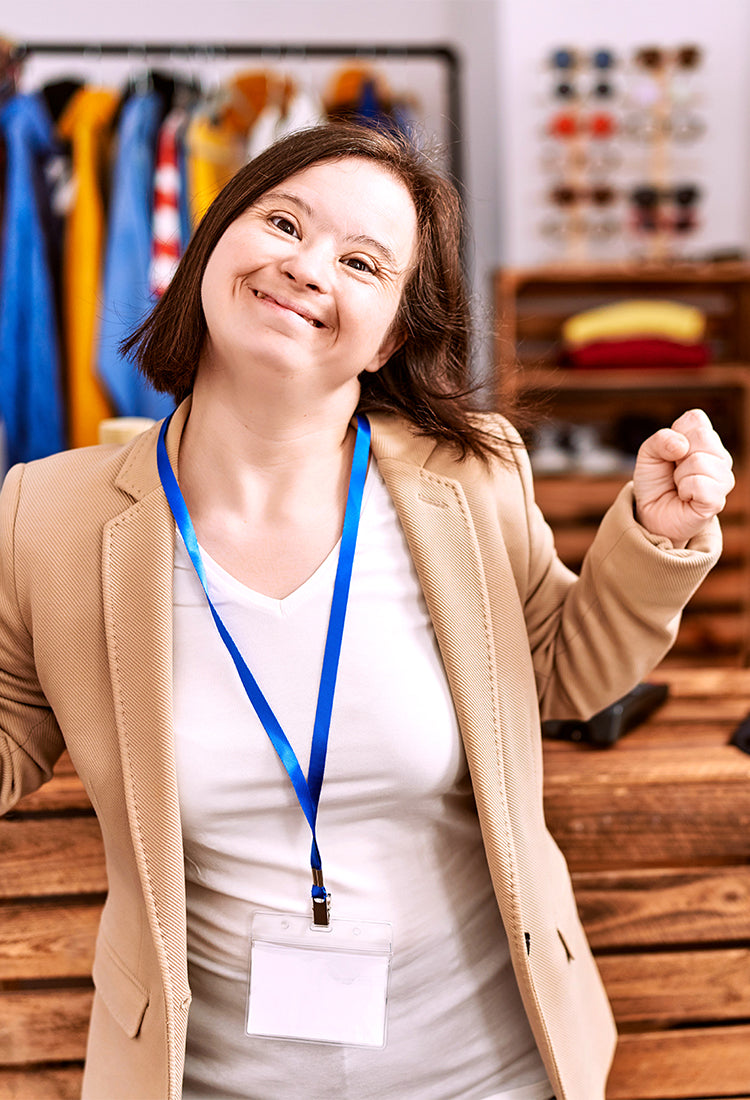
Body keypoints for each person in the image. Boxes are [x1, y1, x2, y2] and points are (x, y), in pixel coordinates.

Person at [0, 123, 733, 1100]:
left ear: (391, 332)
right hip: (204, 1078)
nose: (306, 267)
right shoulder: (47, 513)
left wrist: (653, 529)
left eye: (360, 260)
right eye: (283, 221)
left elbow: (561, 669)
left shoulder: (471, 473)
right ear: (215, 243)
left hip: (487, 1069)